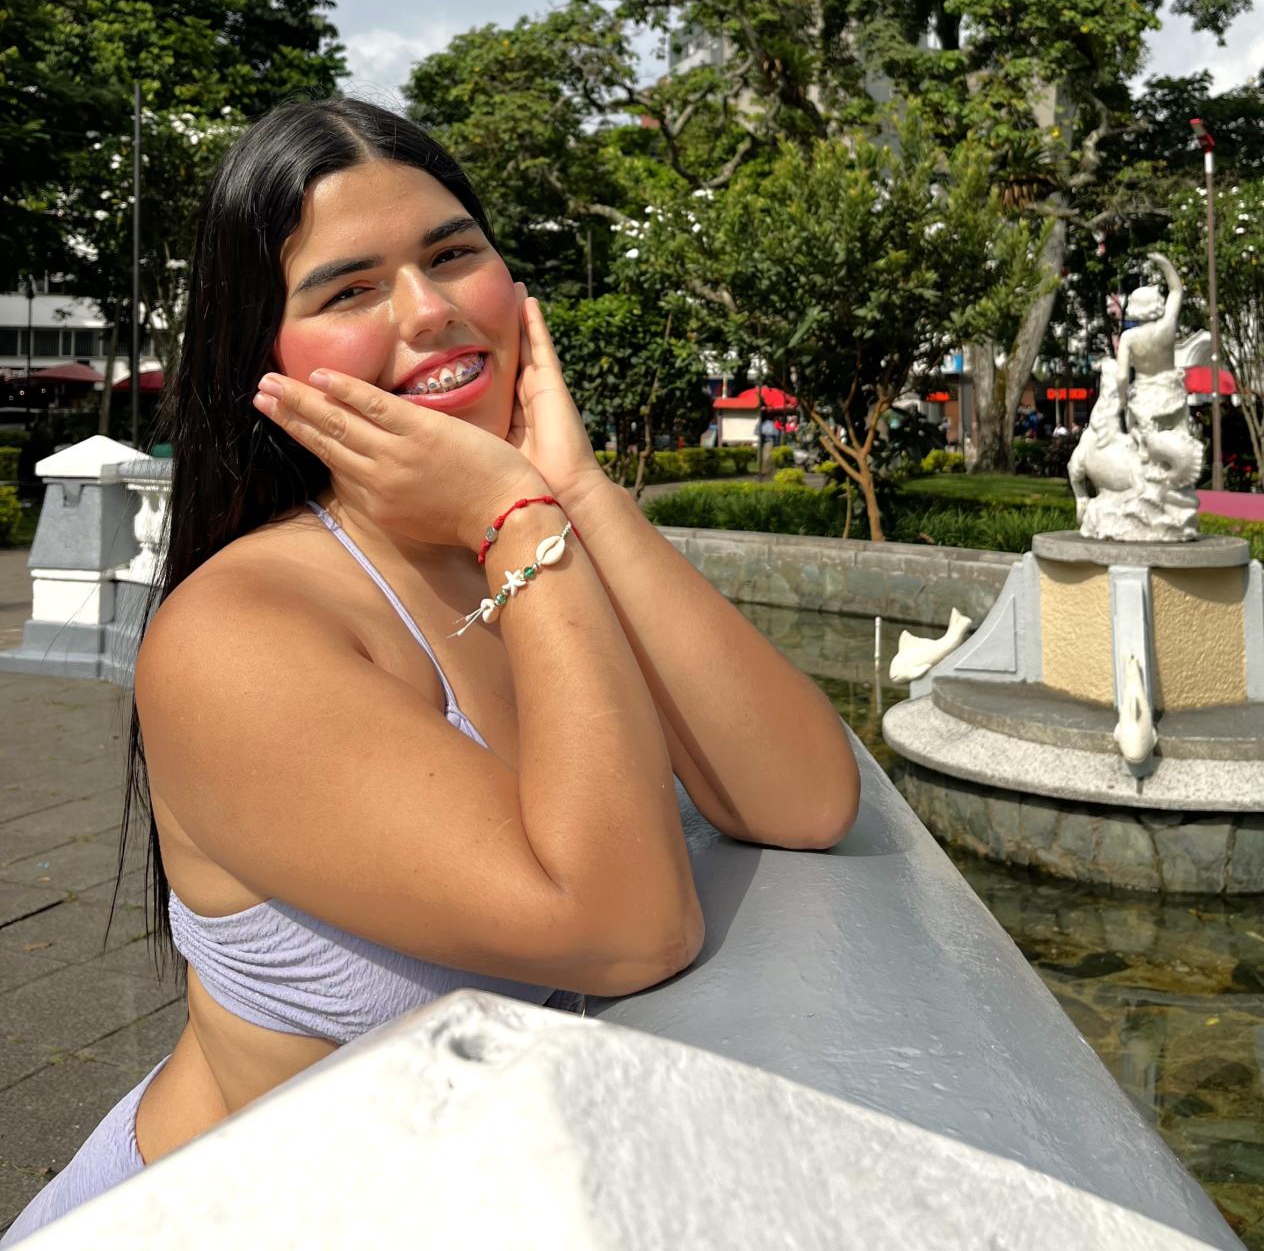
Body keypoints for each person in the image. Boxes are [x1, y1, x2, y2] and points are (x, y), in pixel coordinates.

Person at [0, 100, 860, 1245]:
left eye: (453, 255)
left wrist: (575, 493)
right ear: (266, 358)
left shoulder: (532, 556)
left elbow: (803, 802)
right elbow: (625, 928)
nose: (428, 311)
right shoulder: (242, 631)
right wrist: (520, 517)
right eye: (348, 291)